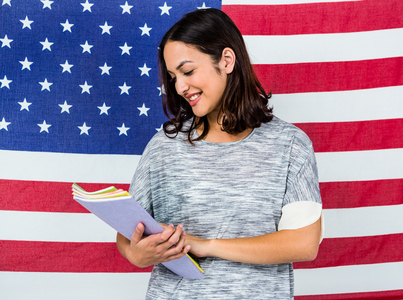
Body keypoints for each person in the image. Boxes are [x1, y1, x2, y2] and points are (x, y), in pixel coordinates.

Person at [116, 8, 323, 300]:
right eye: (174, 76)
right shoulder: (163, 146)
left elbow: (304, 243)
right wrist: (137, 255)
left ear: (226, 60)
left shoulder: (289, 145)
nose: (180, 86)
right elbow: (128, 233)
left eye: (187, 71)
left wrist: (207, 245)